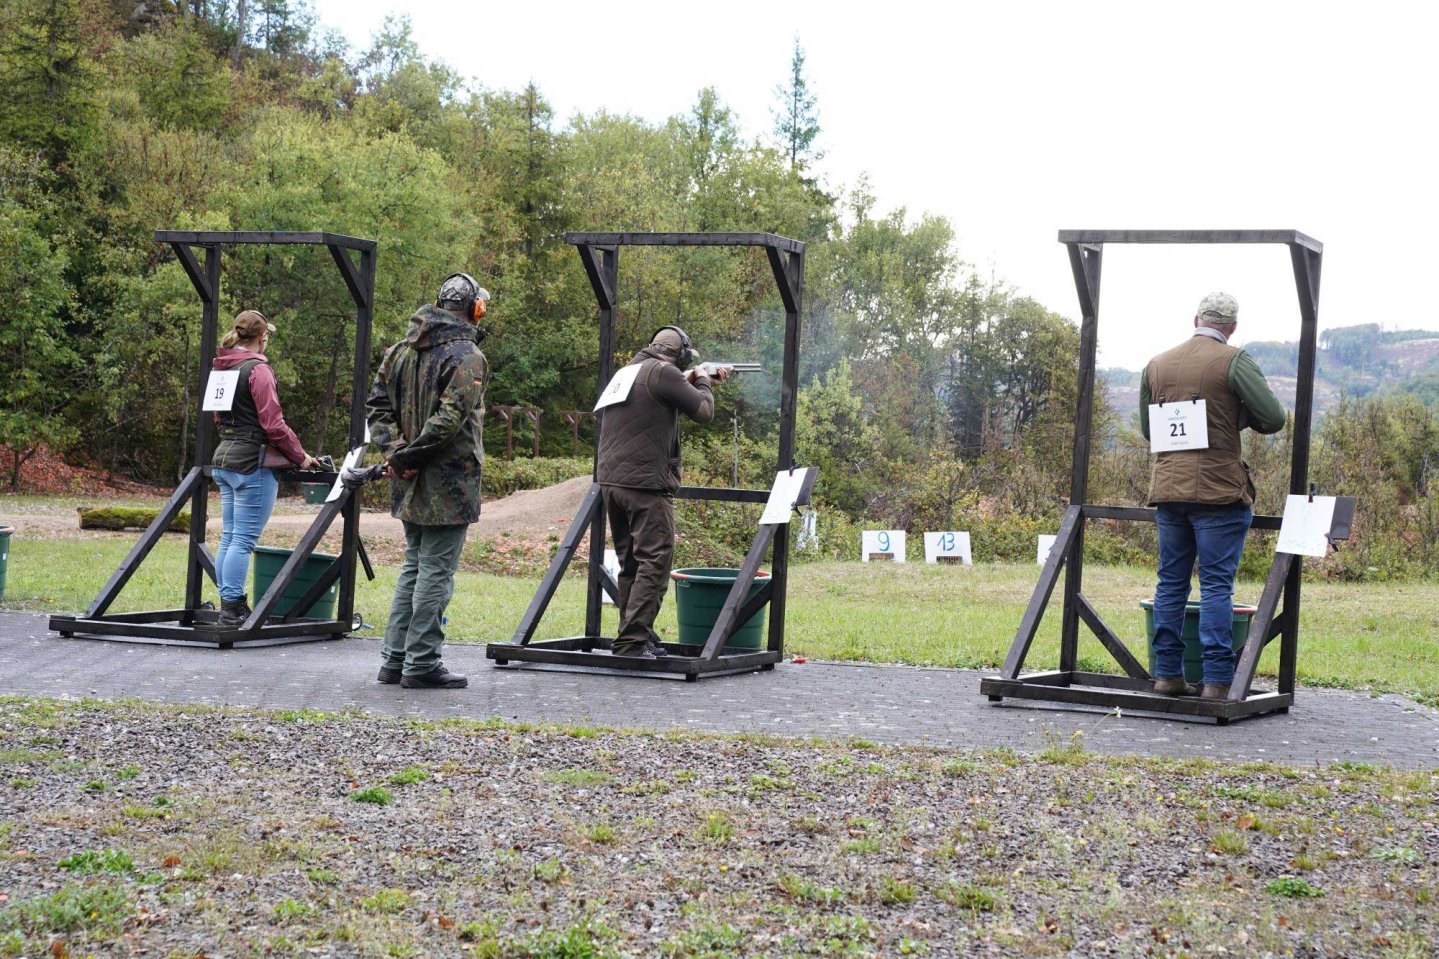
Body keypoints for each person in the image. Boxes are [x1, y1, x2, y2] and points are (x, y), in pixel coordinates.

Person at [1140, 292, 1286, 700]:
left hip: (1169, 490)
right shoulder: (1234, 360)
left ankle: (1167, 674)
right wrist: (1235, 415)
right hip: (1220, 492)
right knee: (1217, 586)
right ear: (1233, 327)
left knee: (1170, 582)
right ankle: (1218, 682)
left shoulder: (1157, 364)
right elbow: (1273, 419)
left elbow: (1151, 430)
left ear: (1196, 318)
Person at [366, 273, 490, 689]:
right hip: (449, 481)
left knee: (414, 567)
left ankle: (395, 659)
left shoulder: (399, 351)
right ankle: (420, 663)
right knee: (435, 571)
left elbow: (376, 409)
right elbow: (450, 421)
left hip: (409, 477)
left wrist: (397, 455)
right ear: (474, 310)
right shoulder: (468, 356)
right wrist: (409, 456)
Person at [595, 326, 730, 659]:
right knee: (655, 560)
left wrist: (690, 377)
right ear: (679, 355)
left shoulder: (627, 372)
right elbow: (703, 412)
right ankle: (631, 643)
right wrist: (701, 380)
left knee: (631, 562)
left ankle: (634, 634)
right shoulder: (665, 372)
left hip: (612, 482)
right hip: (644, 484)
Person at [210, 310, 318, 626]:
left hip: (224, 459)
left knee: (230, 537)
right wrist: (301, 457)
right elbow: (273, 424)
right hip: (251, 465)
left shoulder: (222, 366)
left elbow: (218, 417)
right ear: (261, 337)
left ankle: (230, 604)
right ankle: (232, 609)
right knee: (242, 541)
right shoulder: (259, 371)